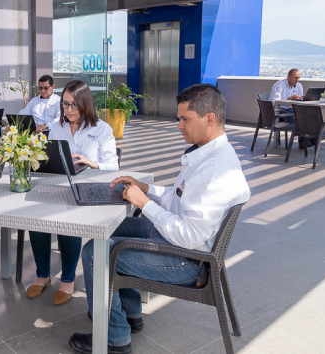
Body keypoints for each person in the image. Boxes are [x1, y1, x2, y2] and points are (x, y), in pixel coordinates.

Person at [68, 84, 250, 354]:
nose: (179, 126)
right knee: (113, 228)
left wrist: (144, 204)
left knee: (95, 252)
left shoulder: (215, 171)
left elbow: (188, 236)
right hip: (179, 242)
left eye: (184, 119)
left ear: (209, 119)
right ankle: (130, 313)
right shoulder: (211, 154)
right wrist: (146, 189)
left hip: (186, 261)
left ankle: (114, 338)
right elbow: (180, 199)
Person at [25, 80, 119, 306]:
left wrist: (92, 163)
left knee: (68, 222)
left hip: (86, 188)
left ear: (86, 104)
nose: (68, 110)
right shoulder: (57, 127)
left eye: (74, 106)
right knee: (36, 220)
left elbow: (114, 166)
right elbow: (47, 157)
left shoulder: (102, 129)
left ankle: (67, 279)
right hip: (57, 185)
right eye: (65, 105)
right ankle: (43, 275)